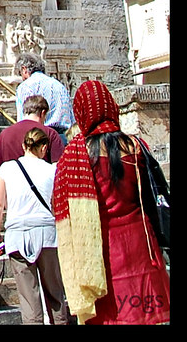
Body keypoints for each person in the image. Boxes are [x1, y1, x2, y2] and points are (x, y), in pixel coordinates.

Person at [52, 80, 170, 325]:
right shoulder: (136, 146)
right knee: (145, 316)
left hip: (102, 250)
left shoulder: (77, 156)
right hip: (141, 243)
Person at [0, 127, 70, 324]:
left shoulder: (7, 169)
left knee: (29, 298)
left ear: (23, 146)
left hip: (17, 235)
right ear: (44, 147)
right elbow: (57, 203)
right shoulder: (52, 170)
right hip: (46, 234)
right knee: (55, 293)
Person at [15, 53, 74, 147]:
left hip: (39, 139)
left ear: (24, 69)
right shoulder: (59, 85)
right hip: (63, 137)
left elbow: (23, 119)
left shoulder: (25, 87)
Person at [0, 94, 66, 169]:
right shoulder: (50, 133)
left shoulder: (5, 134)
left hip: (11, 179)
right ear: (43, 113)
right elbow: (59, 166)